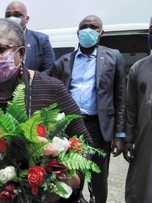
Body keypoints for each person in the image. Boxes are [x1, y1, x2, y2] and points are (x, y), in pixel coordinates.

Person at [0, 18, 89, 203]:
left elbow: (84, 142)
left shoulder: (51, 88)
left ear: (20, 53)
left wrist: (70, 177)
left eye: (0, 49)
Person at [48, 15, 127, 203]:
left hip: (99, 127)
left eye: (93, 26)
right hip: (71, 127)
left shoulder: (114, 57)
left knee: (99, 179)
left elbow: (120, 98)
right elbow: (52, 95)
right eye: (84, 26)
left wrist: (120, 134)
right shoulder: (64, 61)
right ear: (77, 32)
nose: (88, 30)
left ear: (101, 32)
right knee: (72, 177)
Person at [124, 17, 152, 203]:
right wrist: (128, 139)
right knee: (142, 189)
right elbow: (131, 109)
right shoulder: (138, 68)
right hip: (145, 142)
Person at [4, 1, 55, 72]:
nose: (12, 18)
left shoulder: (41, 40)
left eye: (17, 15)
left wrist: (32, 80)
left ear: (27, 19)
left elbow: (50, 69)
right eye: (8, 15)